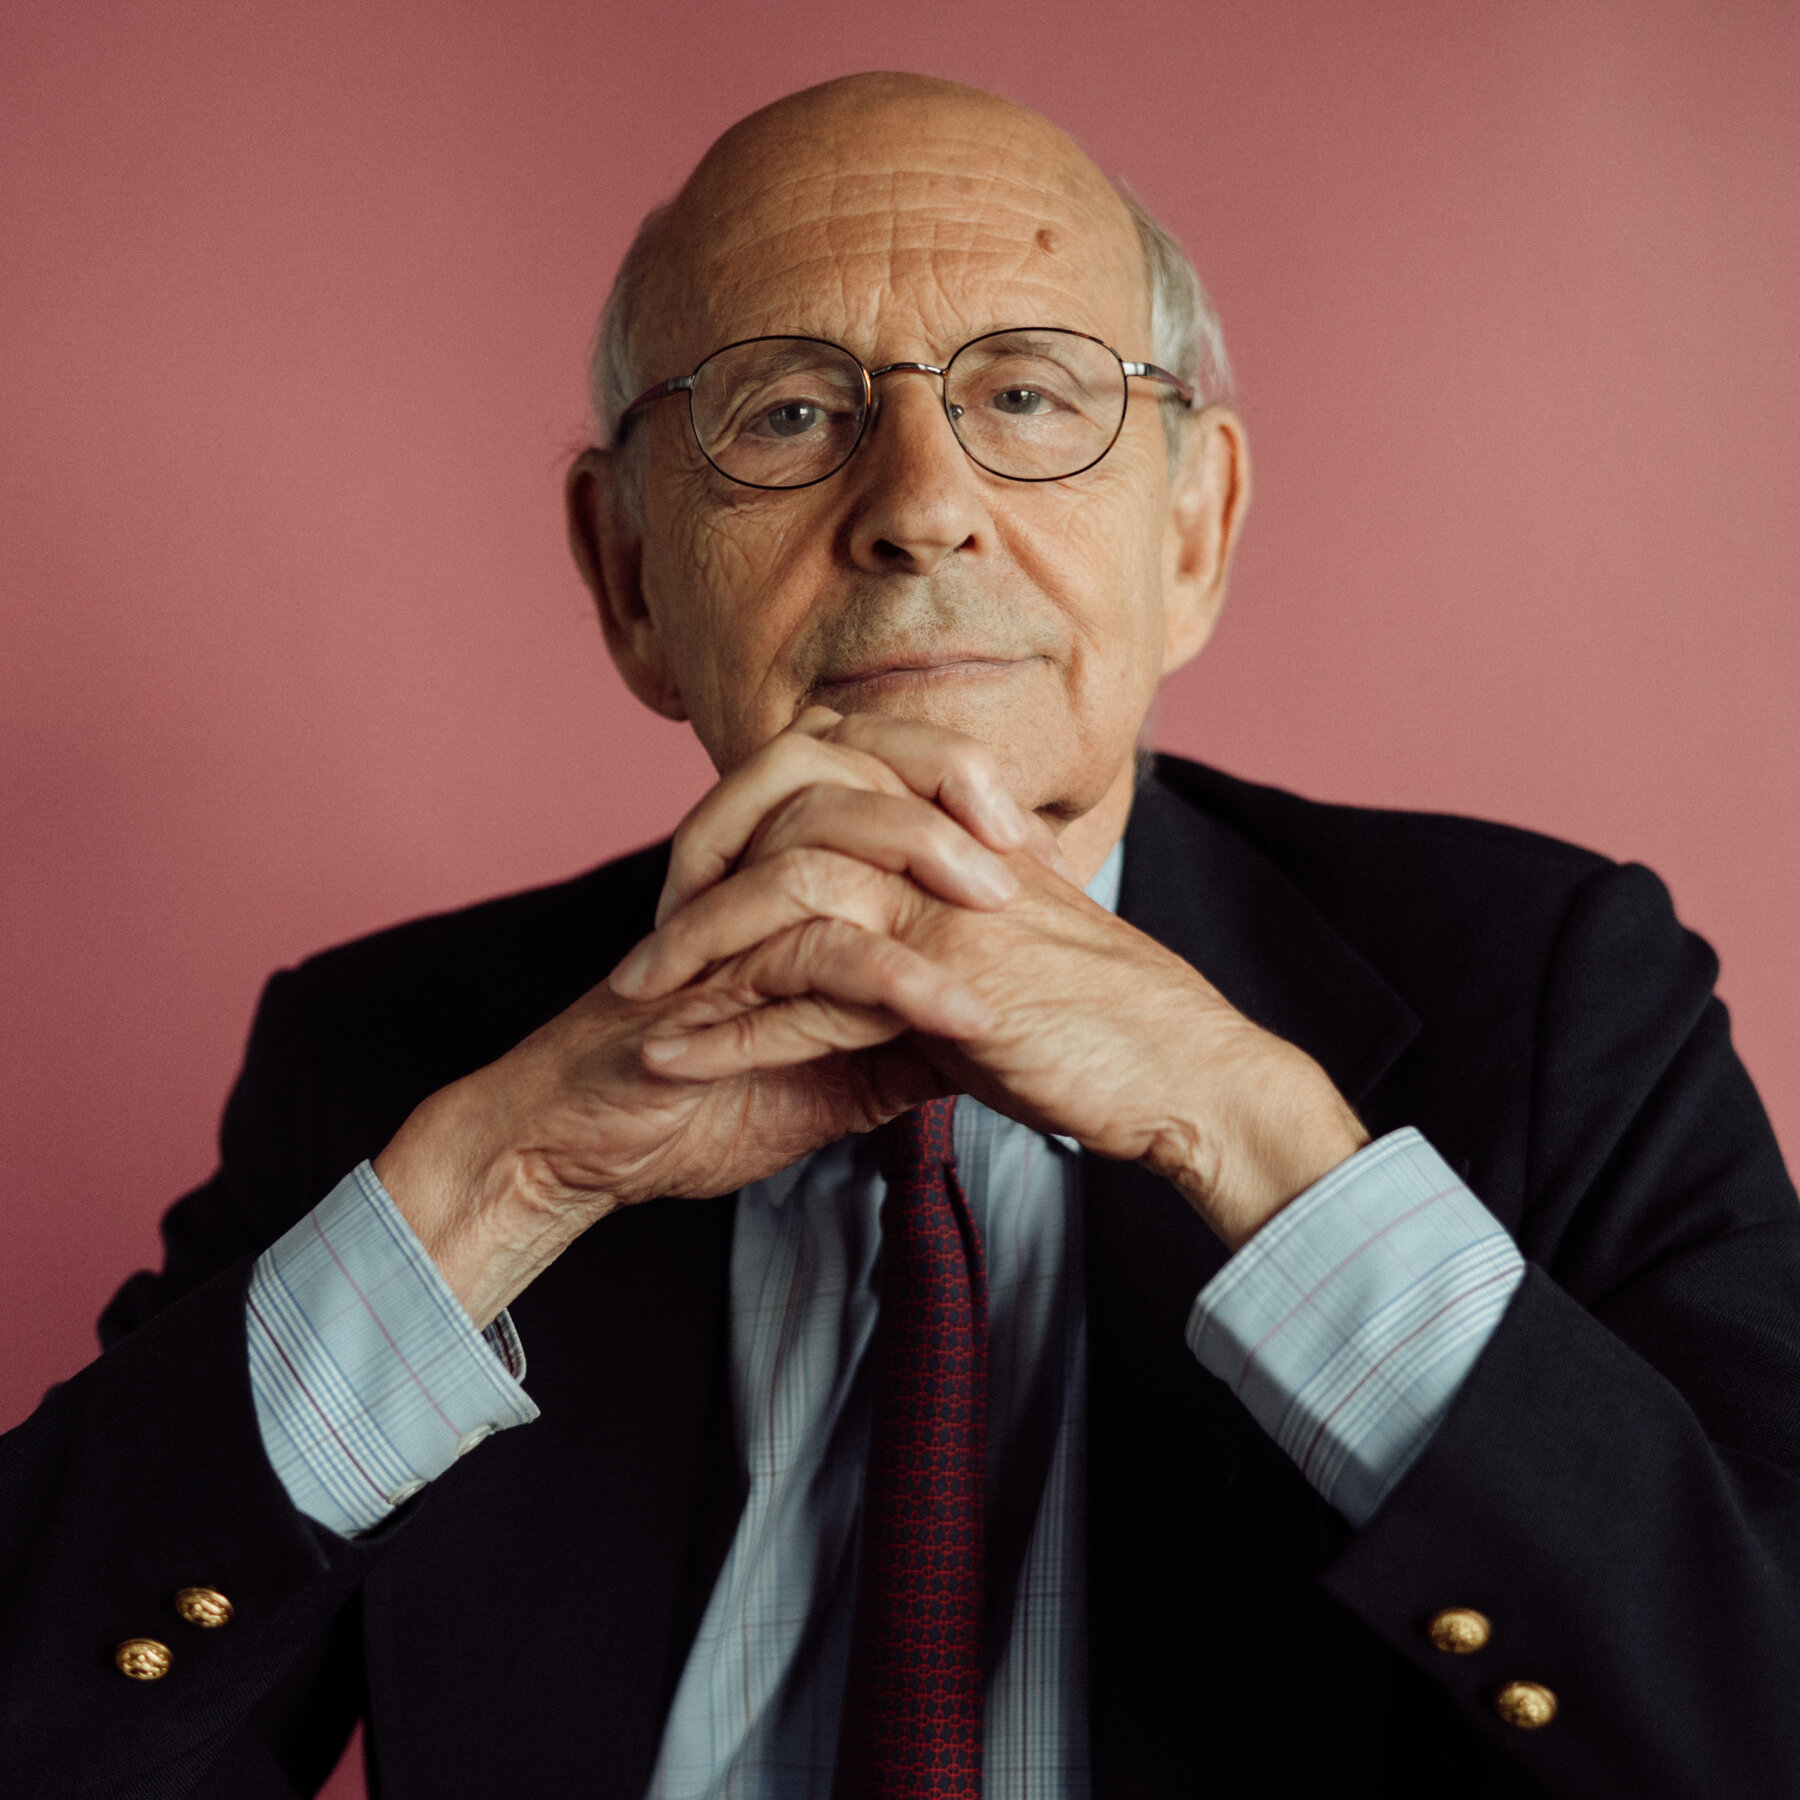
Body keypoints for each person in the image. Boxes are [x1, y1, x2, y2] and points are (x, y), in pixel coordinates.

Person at [3, 70, 1797, 1800]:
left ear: (1195, 533)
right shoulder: (392, 1063)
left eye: (1029, 395)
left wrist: (1259, 1143)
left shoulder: (1556, 999)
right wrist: (500, 1189)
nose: (923, 505)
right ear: (630, 577)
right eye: (788, 414)